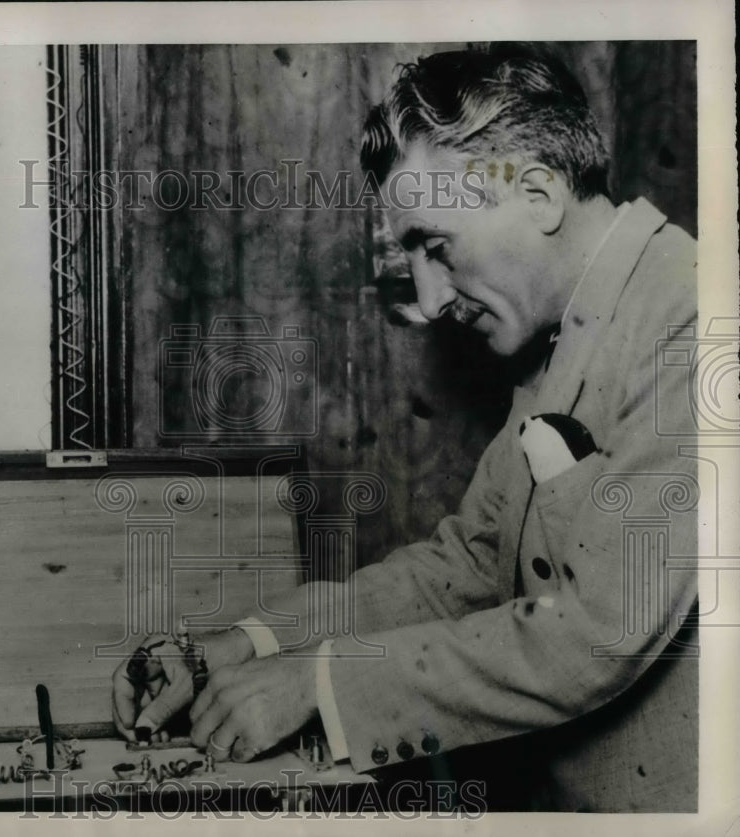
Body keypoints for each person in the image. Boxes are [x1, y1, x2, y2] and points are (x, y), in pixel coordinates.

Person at [111, 44, 699, 812]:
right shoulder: (565, 331)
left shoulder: (692, 321)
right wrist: (247, 644)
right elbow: (463, 565)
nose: (426, 295)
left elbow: (596, 634)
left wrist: (320, 683)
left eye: (435, 244)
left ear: (539, 192)